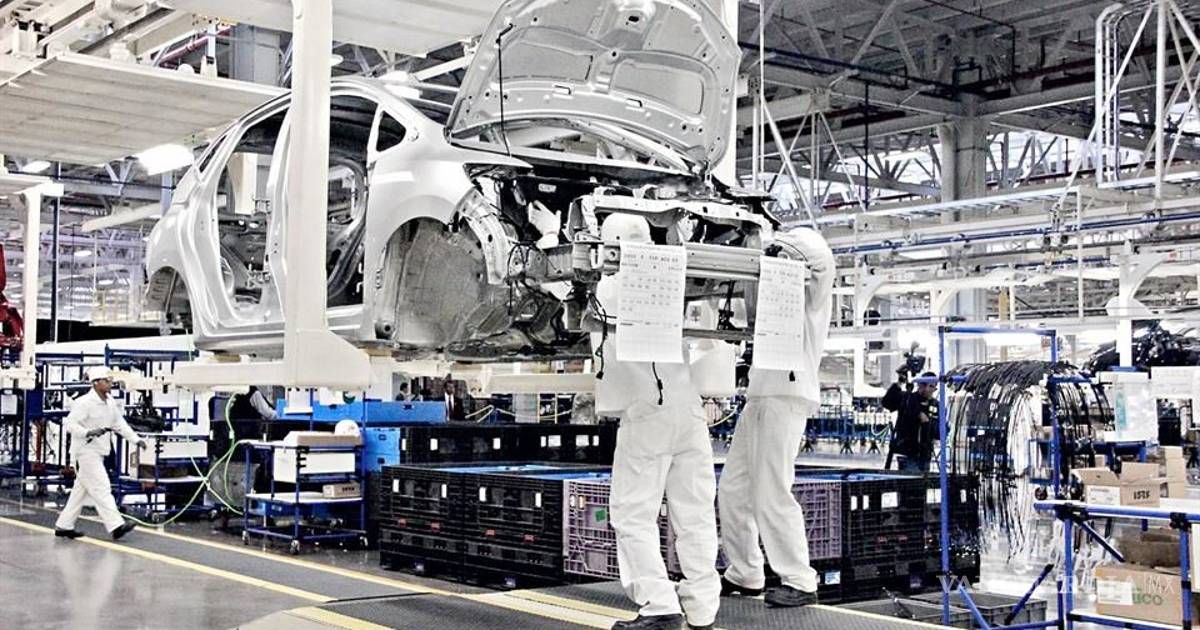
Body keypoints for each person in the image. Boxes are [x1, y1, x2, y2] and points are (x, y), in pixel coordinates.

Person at [593, 213, 720, 630]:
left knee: (632, 514)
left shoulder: (607, 286)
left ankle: (659, 605)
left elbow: (557, 290)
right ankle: (702, 609)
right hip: (689, 411)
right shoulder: (670, 282)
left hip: (647, 413)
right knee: (696, 513)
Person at [717, 228, 835, 608]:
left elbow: (819, 256)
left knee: (771, 491)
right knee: (732, 491)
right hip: (758, 397)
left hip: (787, 397)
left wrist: (772, 242)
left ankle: (799, 580)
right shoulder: (772, 300)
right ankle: (745, 572)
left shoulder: (811, 297)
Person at [54, 366, 144, 541]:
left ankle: (64, 526)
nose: (110, 383)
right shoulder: (84, 402)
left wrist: (136, 439)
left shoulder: (110, 402)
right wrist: (87, 432)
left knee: (79, 492)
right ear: (96, 383)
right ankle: (116, 526)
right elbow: (70, 424)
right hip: (85, 452)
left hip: (99, 451)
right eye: (106, 380)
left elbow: (119, 424)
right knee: (102, 487)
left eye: (110, 380)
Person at [882, 370, 939, 473]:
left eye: (933, 387)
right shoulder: (907, 399)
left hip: (925, 455)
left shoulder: (935, 405)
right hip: (907, 453)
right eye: (927, 385)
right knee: (910, 480)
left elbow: (938, 433)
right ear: (920, 385)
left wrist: (927, 423)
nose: (930, 390)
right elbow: (887, 402)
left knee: (922, 482)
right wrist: (899, 383)